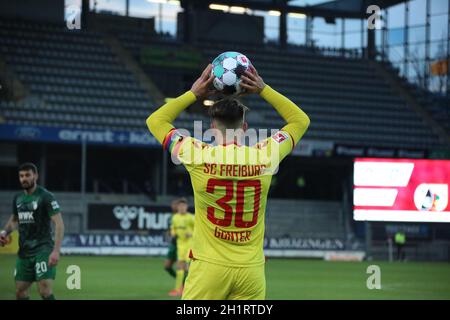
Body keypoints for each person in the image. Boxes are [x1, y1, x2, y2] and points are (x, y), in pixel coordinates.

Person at [146, 64, 310, 299]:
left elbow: (156, 121)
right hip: (250, 270)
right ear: (244, 128)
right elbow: (300, 121)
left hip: (208, 268)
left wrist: (194, 93)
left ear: (212, 128)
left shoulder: (197, 154)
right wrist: (263, 89)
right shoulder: (265, 155)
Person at [0, 163, 65, 300]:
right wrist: (4, 233)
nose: (24, 178)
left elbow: (59, 224)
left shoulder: (45, 196)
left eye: (28, 175)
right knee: (20, 292)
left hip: (43, 249)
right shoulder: (18, 198)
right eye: (21, 176)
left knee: (44, 290)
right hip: (24, 252)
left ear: (35, 176)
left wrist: (56, 251)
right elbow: (13, 220)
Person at [168, 198, 194, 297]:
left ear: (186, 207)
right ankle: (178, 289)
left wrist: (191, 233)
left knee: (188, 268)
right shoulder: (175, 217)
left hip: (190, 245)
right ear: (178, 207)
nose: (182, 207)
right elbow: (172, 228)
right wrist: (173, 233)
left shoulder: (191, 217)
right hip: (180, 245)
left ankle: (189, 288)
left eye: (184, 206)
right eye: (180, 206)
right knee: (179, 268)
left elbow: (199, 230)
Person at [163, 199, 179, 279]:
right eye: (173, 205)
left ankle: (182, 285)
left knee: (181, 268)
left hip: (181, 245)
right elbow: (169, 230)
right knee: (167, 266)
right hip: (173, 244)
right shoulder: (171, 217)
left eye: (175, 204)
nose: (173, 206)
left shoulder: (185, 217)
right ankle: (180, 281)